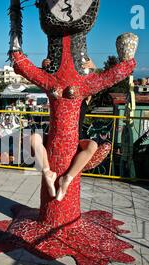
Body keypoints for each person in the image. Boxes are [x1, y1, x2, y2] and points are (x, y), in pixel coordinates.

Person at [31, 58, 98, 201]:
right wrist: (45, 68)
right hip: (54, 135)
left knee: (93, 145)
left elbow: (93, 85)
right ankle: (47, 172)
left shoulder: (83, 98)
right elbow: (44, 82)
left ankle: (67, 178)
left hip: (76, 138)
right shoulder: (57, 94)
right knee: (33, 138)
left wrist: (93, 69)